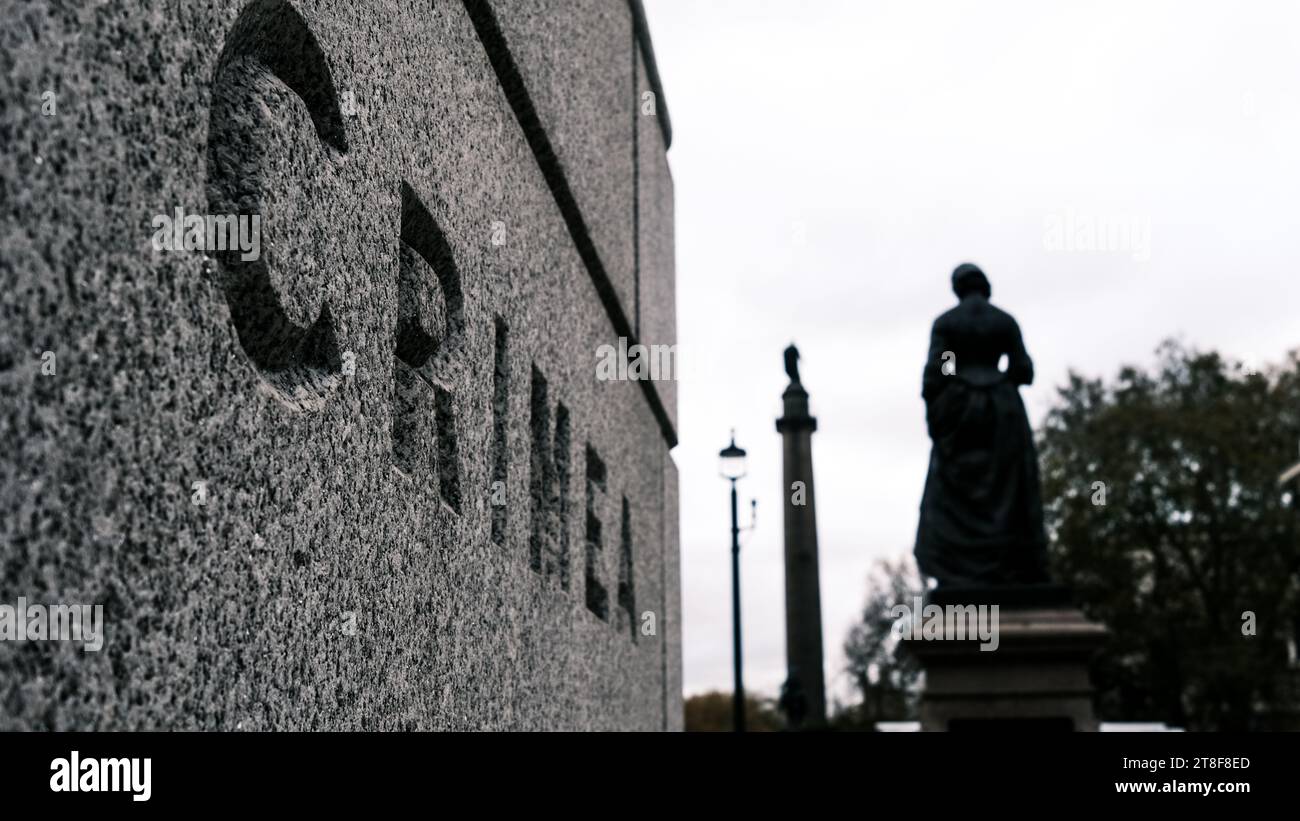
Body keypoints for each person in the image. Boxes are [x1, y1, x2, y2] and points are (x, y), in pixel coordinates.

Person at [914, 263, 1050, 587]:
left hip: (961, 409)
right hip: (1003, 409)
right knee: (1011, 488)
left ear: (957, 288)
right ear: (985, 286)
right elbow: (1024, 369)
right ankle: (1016, 566)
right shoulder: (1005, 321)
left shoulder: (946, 323)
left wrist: (944, 409)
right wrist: (997, 380)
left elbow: (938, 371)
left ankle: (960, 569)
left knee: (955, 491)